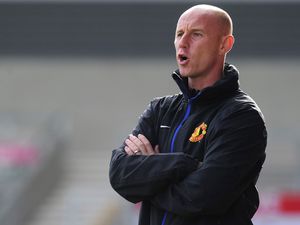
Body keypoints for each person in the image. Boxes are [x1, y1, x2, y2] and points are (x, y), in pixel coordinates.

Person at [109, 4, 267, 225]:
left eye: (196, 34)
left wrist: (150, 178)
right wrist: (183, 164)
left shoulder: (241, 115)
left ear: (224, 44)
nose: (183, 43)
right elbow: (120, 174)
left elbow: (204, 197)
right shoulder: (160, 110)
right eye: (179, 34)